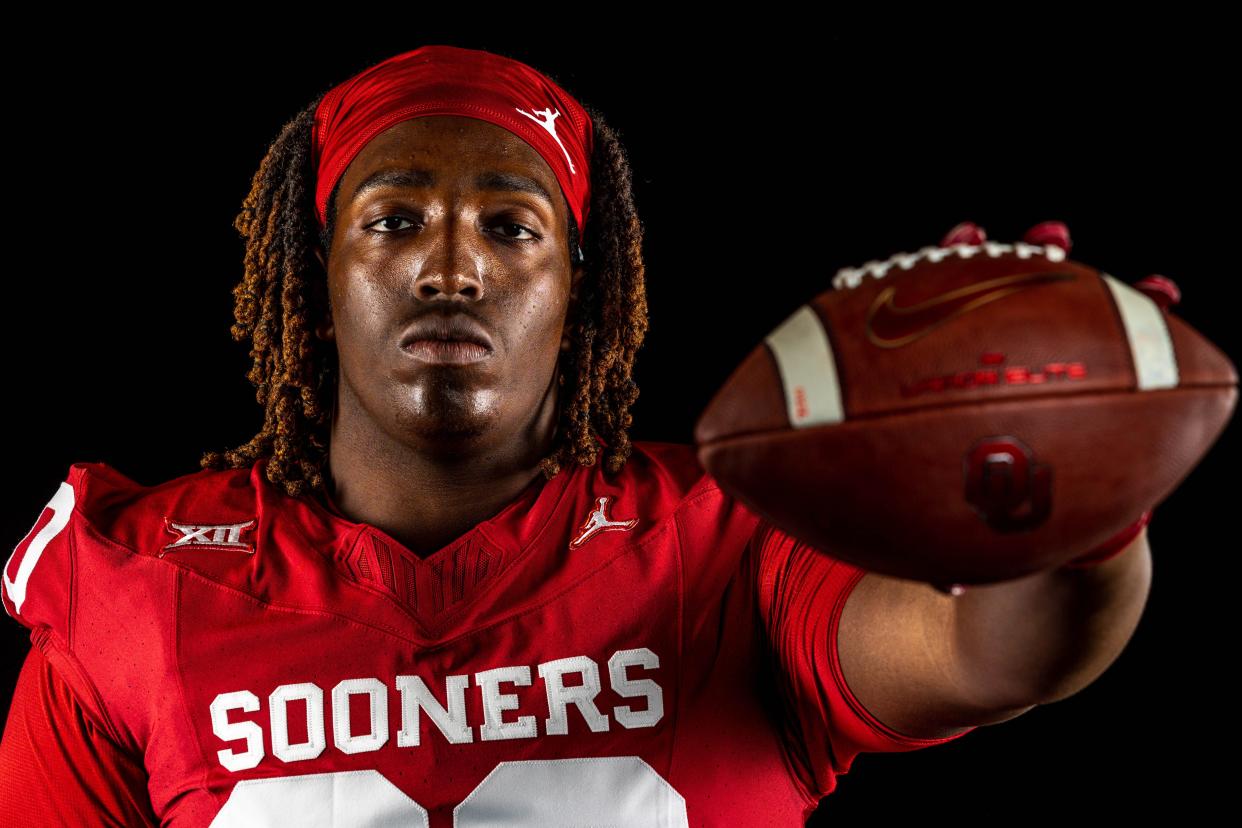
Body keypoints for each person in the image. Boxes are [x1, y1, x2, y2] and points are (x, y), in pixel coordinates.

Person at [0, 44, 1154, 826]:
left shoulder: (726, 539)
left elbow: (997, 656)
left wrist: (1069, 496)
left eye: (511, 228)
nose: (451, 268)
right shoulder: (137, 584)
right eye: (395, 219)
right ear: (312, 275)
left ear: (583, 290)